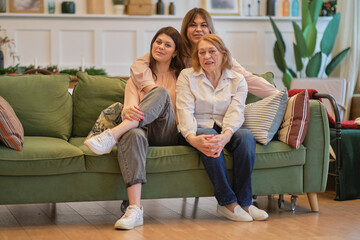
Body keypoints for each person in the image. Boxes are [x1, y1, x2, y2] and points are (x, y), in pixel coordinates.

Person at [84, 26, 185, 230]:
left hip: (168, 131)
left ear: (175, 52)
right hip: (141, 130)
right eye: (158, 42)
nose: (161, 47)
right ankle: (134, 209)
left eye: (168, 45)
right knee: (132, 133)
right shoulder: (137, 77)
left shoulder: (182, 76)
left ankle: (112, 134)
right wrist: (129, 113)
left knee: (161, 94)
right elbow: (129, 109)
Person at [176, 34, 269, 222]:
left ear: (223, 54)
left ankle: (245, 203)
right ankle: (227, 202)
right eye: (202, 52)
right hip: (195, 130)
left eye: (212, 51)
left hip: (226, 130)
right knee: (209, 135)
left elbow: (236, 112)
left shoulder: (237, 80)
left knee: (246, 137)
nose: (207, 56)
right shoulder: (187, 76)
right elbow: (184, 110)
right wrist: (192, 138)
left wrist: (226, 136)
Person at [130, 7, 278, 99]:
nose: (198, 29)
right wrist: (153, 91)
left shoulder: (218, 54)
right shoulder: (176, 49)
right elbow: (139, 64)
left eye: (203, 25)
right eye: (193, 25)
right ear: (185, 29)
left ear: (209, 29)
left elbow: (247, 78)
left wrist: (279, 95)